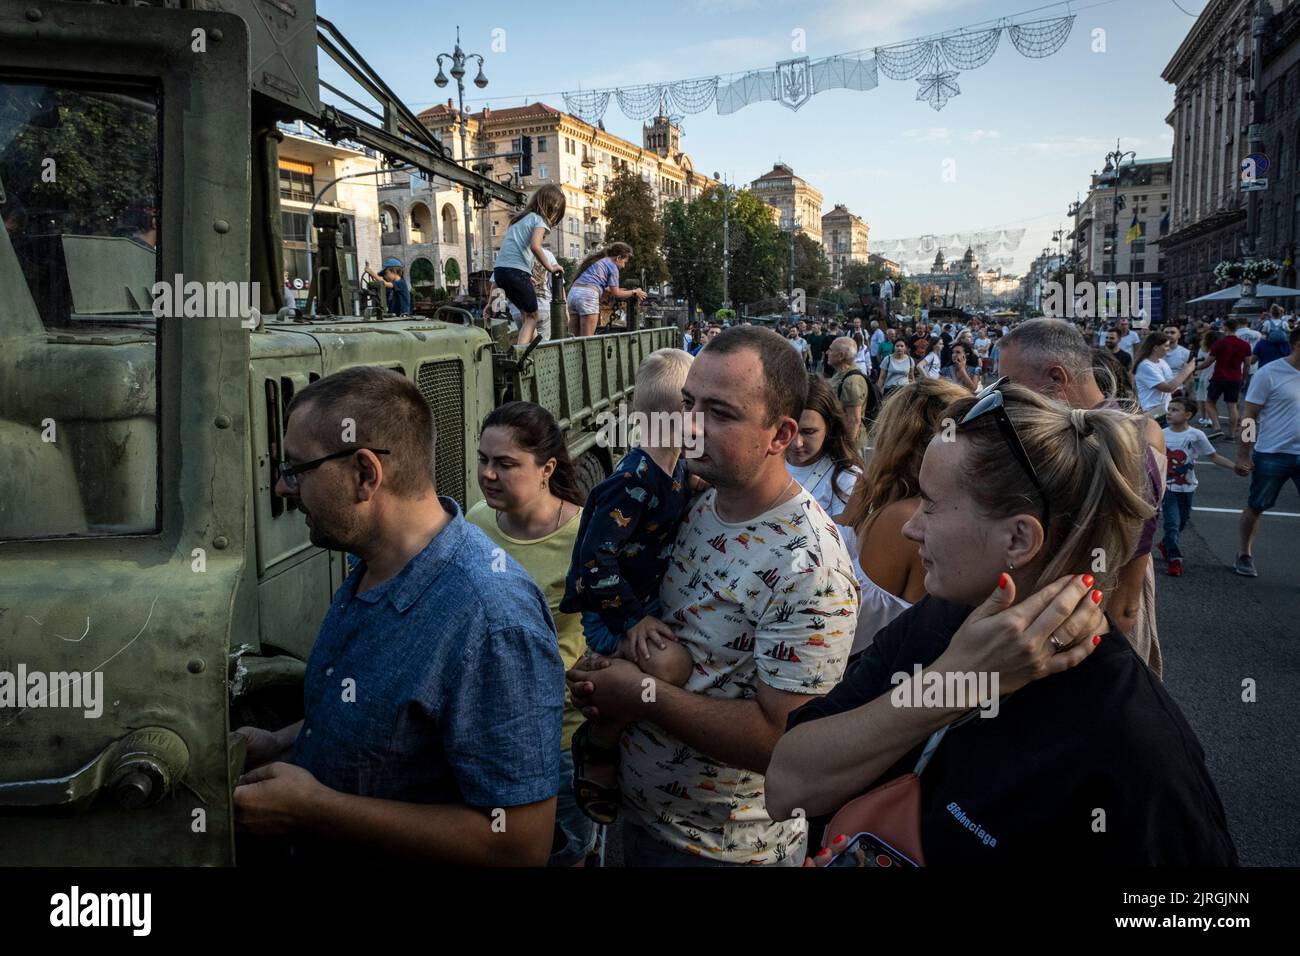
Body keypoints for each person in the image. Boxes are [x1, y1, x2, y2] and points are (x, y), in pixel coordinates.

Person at [766, 382, 1238, 866]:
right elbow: (786, 787)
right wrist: (953, 682)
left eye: (930, 503)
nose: (911, 526)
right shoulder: (939, 620)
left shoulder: (1137, 744)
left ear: (1018, 538)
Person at [234, 366, 562, 864]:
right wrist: (280, 743)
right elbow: (384, 724)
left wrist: (317, 810)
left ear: (366, 474)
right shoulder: (370, 564)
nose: (284, 488)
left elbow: (520, 843)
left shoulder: (492, 619)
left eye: (298, 469)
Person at [566, 326, 858, 866]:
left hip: (721, 850)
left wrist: (639, 695)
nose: (691, 426)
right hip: (632, 818)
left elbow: (783, 742)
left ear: (780, 435)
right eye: (687, 404)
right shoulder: (695, 495)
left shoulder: (809, 566)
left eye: (720, 413)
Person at [559, 349, 696, 823]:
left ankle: (605, 686)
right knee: (669, 666)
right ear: (681, 418)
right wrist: (631, 621)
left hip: (643, 602)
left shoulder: (675, 465)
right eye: (701, 408)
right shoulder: (632, 480)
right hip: (614, 611)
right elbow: (595, 561)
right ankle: (598, 742)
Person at [997, 319, 1165, 678]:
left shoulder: (1123, 447)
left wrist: (1101, 677)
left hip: (1087, 642)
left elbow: (1125, 600)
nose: (1004, 397)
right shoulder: (1079, 428)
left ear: (1057, 379)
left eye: (1010, 384)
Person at [467, 402, 591, 866]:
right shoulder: (475, 523)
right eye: (483, 459)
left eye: (505, 464)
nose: (489, 474)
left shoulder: (584, 535)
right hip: (484, 733)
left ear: (547, 468)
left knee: (564, 854)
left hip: (557, 739)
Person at [839, 378, 967, 655]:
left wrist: (849, 521)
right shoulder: (973, 512)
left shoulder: (903, 519)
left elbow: (850, 626)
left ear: (896, 442)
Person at [1232, 325, 1300, 577]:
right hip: (1273, 452)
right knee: (1257, 505)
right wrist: (1243, 454)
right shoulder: (1270, 373)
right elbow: (1249, 417)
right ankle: (1244, 552)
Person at [786, 376, 866, 589]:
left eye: (808, 432)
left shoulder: (845, 478)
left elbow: (844, 551)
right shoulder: (767, 459)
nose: (796, 443)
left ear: (829, 427)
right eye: (789, 429)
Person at [1159, 397, 1237, 577]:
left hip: (1187, 488)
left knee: (1182, 522)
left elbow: (1214, 456)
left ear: (1188, 415)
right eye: (1169, 409)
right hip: (1168, 488)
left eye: (1175, 410)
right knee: (1172, 524)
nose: (1170, 413)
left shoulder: (1196, 435)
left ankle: (1166, 544)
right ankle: (1174, 560)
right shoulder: (1161, 434)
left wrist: (1234, 466)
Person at [493, 184, 566, 346]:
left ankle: (536, 350)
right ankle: (520, 357)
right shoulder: (539, 220)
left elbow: (515, 250)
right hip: (516, 273)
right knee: (533, 317)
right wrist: (551, 267)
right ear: (551, 208)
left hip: (501, 272)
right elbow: (535, 246)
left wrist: (527, 276)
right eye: (556, 216)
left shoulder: (517, 220)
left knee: (526, 314)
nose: (554, 221)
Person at [566, 241, 646, 337]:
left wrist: (624, 291)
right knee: (586, 338)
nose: (624, 266)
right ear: (618, 258)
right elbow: (616, 293)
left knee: (572, 337)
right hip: (588, 297)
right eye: (624, 262)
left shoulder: (600, 262)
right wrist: (635, 292)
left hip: (573, 294)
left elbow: (606, 288)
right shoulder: (613, 267)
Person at [1134, 331, 1196, 425]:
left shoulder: (1162, 363)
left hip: (1164, 411)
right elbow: (1168, 388)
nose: (1168, 348)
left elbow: (1173, 386)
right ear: (1155, 348)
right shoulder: (1145, 365)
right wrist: (1187, 369)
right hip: (1152, 412)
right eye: (1166, 346)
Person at [1207, 318, 1253, 441]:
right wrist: (1244, 377)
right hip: (1235, 377)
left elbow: (1208, 362)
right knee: (1232, 406)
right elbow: (1248, 364)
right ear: (1237, 328)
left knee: (1210, 402)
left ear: (1225, 327)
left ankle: (1217, 427)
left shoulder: (1219, 343)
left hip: (1219, 377)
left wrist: (1195, 367)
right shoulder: (1244, 344)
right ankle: (1232, 435)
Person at [506, 244, 561, 341]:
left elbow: (496, 282)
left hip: (519, 310)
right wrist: (565, 310)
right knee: (542, 348)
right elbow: (557, 284)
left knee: (526, 345)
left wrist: (490, 304)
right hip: (543, 307)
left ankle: (522, 354)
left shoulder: (512, 254)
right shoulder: (547, 255)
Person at [828, 335, 873, 448]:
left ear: (841, 355)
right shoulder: (840, 374)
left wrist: (847, 448)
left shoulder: (852, 381)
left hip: (847, 442)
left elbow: (854, 419)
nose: (827, 352)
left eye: (831, 349)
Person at [1195, 329, 1221, 435]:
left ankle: (1204, 418)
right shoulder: (1219, 348)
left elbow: (1201, 361)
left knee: (1201, 397)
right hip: (1215, 375)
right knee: (1210, 399)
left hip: (1204, 374)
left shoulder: (1203, 348)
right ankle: (1212, 418)